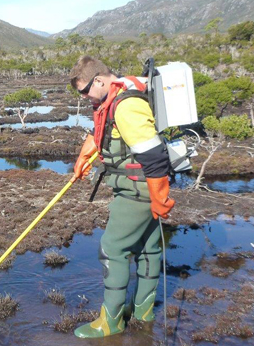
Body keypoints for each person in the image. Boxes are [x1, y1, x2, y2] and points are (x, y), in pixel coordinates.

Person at [68, 55, 175, 338]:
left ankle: (111, 321)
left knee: (112, 248)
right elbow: (101, 133)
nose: (83, 97)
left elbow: (153, 156)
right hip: (138, 187)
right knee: (147, 248)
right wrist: (83, 157)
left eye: (84, 91)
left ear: (100, 80)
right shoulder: (111, 101)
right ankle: (143, 311)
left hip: (138, 189)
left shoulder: (127, 106)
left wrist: (158, 198)